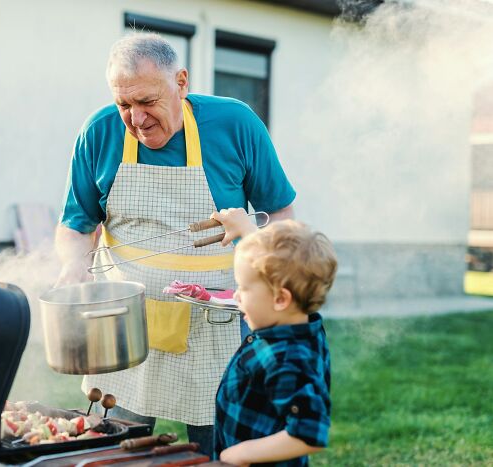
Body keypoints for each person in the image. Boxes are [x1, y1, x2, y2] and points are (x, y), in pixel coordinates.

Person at [55, 32, 295, 455]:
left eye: (148, 102)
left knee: (219, 451)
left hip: (215, 326)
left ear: (181, 83)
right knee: (110, 453)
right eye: (124, 104)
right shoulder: (99, 132)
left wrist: (264, 268)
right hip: (123, 325)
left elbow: (279, 214)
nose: (137, 118)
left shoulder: (235, 124)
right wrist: (73, 264)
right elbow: (76, 224)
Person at [210, 208, 337, 466]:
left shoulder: (286, 357)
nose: (236, 296)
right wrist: (247, 233)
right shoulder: (298, 324)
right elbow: (269, 267)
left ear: (280, 299)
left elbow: (309, 433)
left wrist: (242, 453)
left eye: (243, 288)